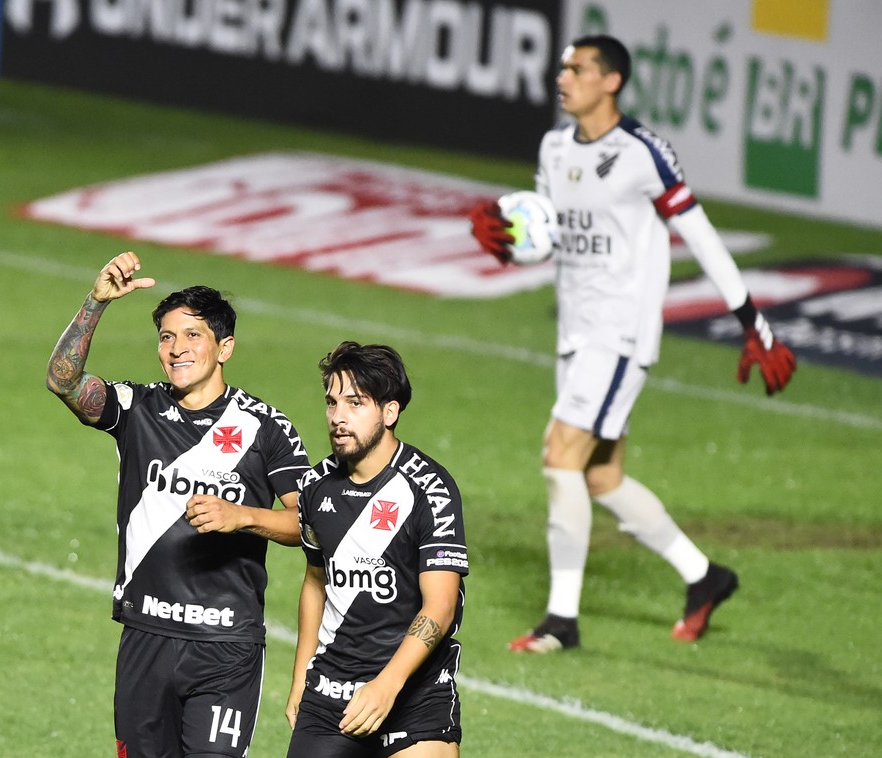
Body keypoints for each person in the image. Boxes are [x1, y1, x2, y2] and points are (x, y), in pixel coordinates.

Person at [468, 35, 796, 653]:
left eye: (578, 68)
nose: (564, 78)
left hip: (620, 331)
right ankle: (704, 576)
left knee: (560, 454)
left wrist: (751, 320)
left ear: (611, 80)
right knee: (600, 476)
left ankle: (561, 621)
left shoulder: (643, 152)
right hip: (574, 331)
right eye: (563, 68)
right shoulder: (554, 146)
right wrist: (511, 241)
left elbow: (700, 235)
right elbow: (553, 231)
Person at [46, 251, 311, 756]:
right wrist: (96, 303)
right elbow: (64, 381)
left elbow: (310, 525)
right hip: (146, 635)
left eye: (192, 335)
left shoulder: (265, 428)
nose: (176, 349)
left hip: (225, 644)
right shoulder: (137, 408)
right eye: (166, 337)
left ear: (225, 347)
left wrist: (243, 516)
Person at [285, 341, 468, 757]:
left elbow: (440, 605)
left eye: (355, 403)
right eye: (332, 402)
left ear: (389, 412)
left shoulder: (430, 489)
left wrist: (387, 685)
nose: (338, 417)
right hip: (331, 695)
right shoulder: (315, 487)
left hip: (414, 697)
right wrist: (300, 679)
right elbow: (315, 582)